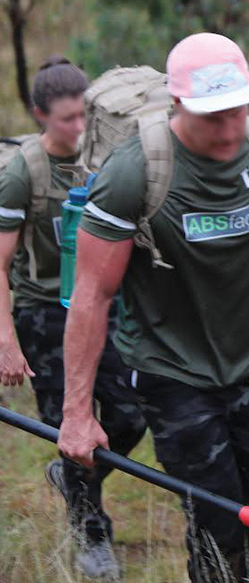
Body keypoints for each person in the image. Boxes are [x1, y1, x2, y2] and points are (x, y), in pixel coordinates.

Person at [57, 33, 249, 582]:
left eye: (239, 111)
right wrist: (76, 415)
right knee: (220, 523)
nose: (231, 129)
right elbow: (92, 295)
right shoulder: (134, 175)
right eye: (214, 117)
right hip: (170, 370)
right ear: (179, 104)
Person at [0, 56, 146, 579]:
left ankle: (72, 477)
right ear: (41, 115)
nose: (80, 128)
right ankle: (92, 535)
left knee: (130, 416)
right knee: (73, 425)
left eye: (84, 115)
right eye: (67, 119)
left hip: (103, 304)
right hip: (44, 313)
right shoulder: (23, 172)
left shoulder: (108, 159)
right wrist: (7, 341)